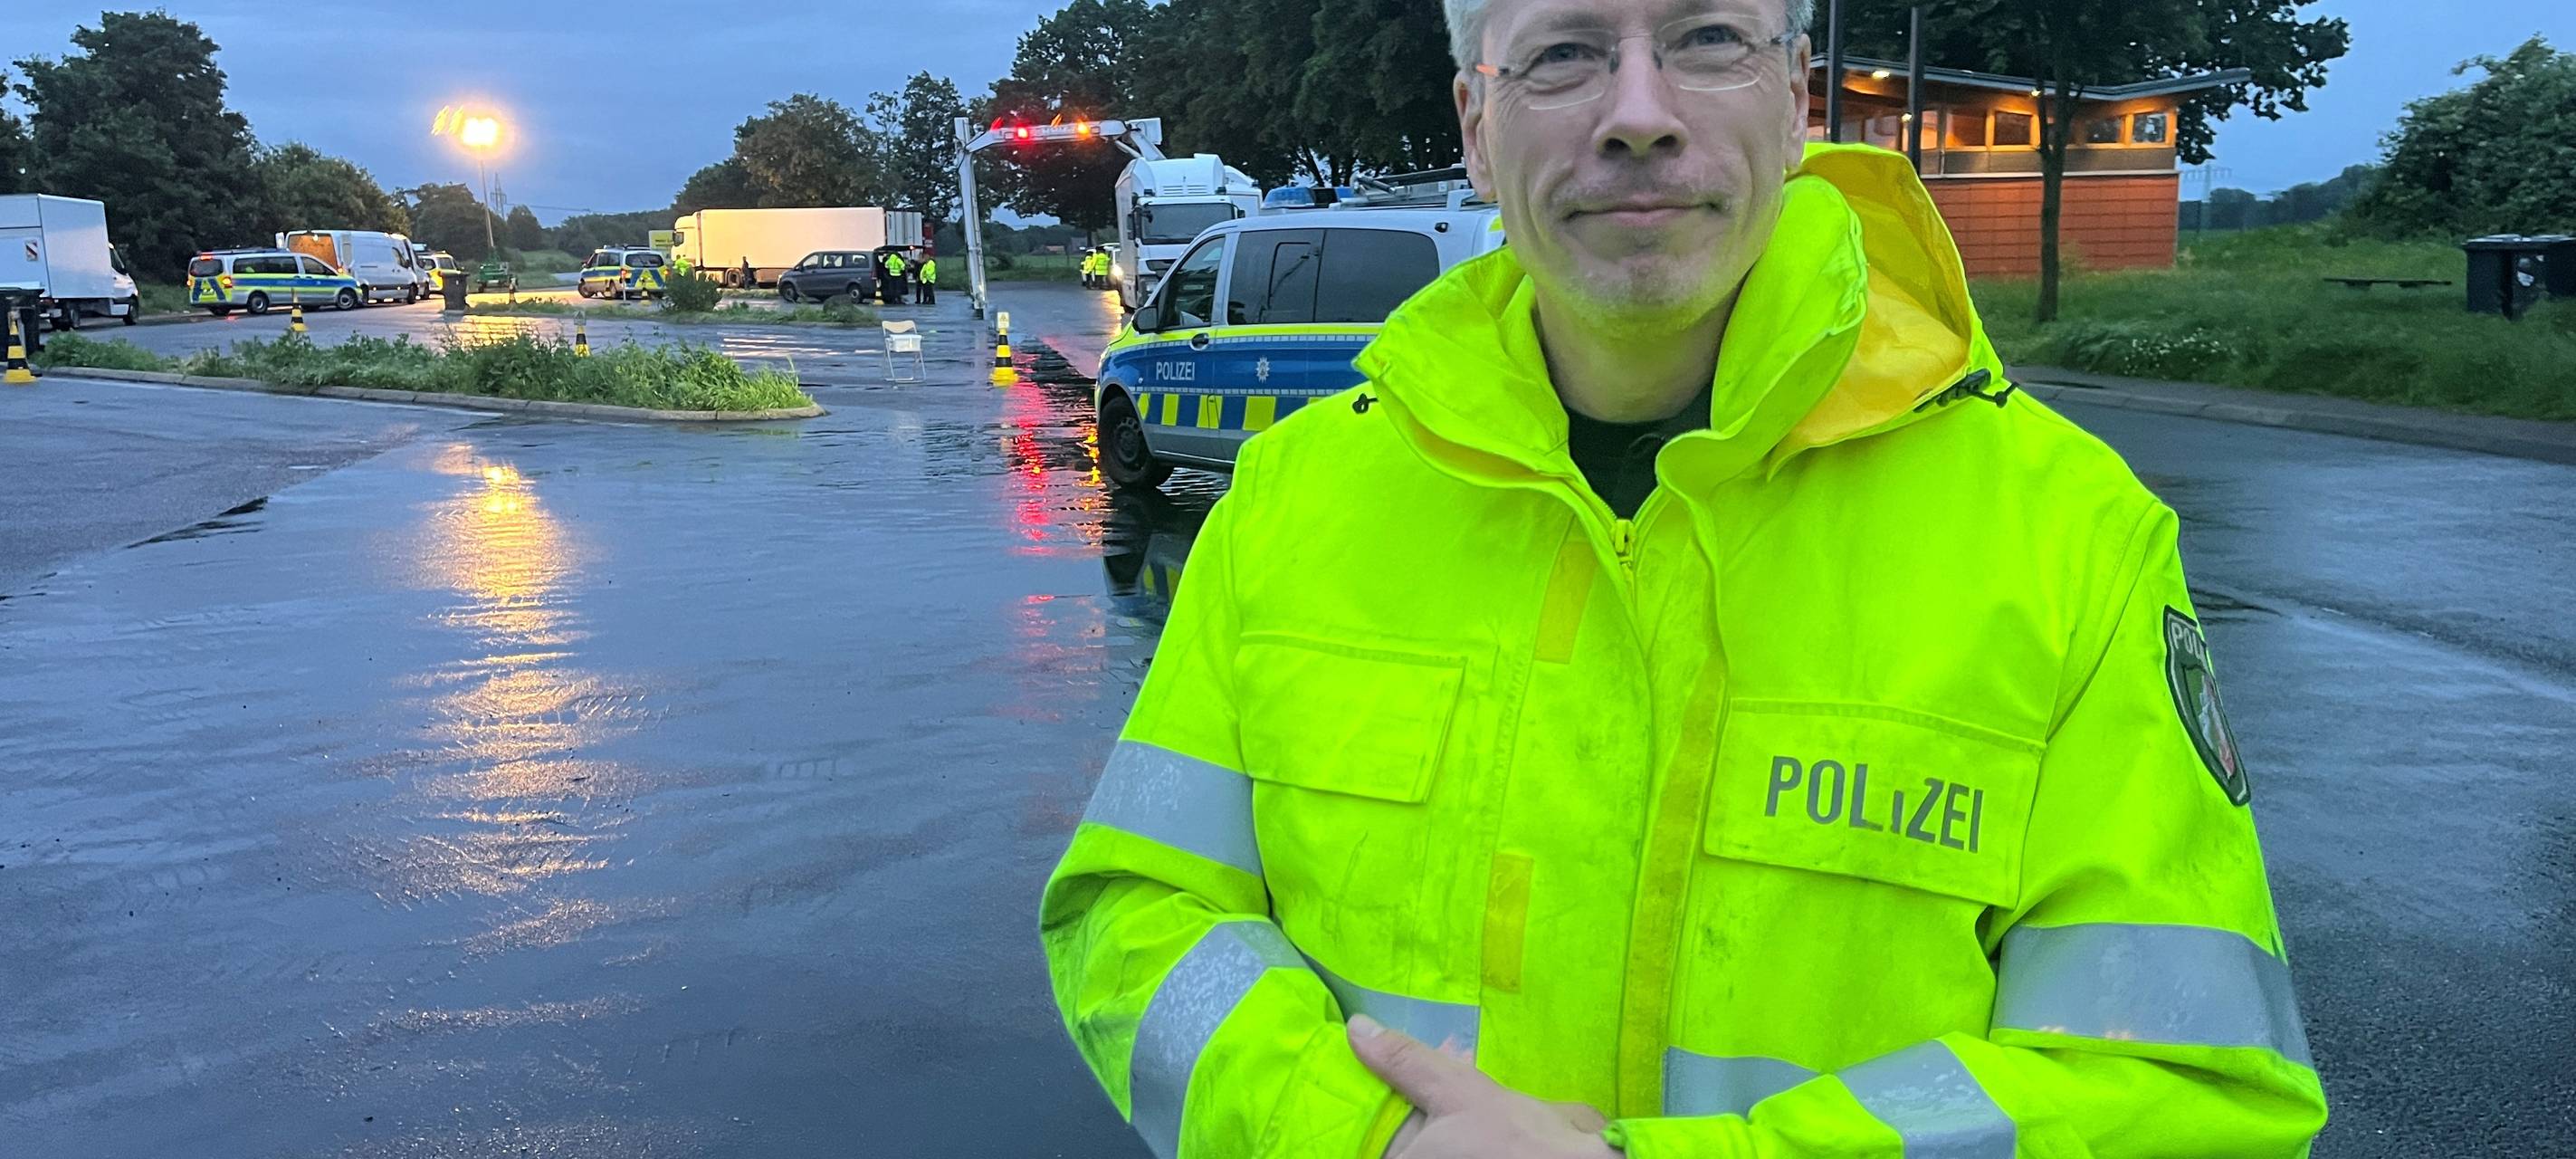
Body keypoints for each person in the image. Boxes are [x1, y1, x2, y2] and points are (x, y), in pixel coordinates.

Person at [1040, 0, 2327, 1155]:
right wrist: (1354, 1136)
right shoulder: (1295, 498)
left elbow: (2187, 1087)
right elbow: (1138, 910)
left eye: (1708, 40)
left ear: (1797, 99)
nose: (1638, 116)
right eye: (1563, 55)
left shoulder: (2067, 531)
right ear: (1477, 127)